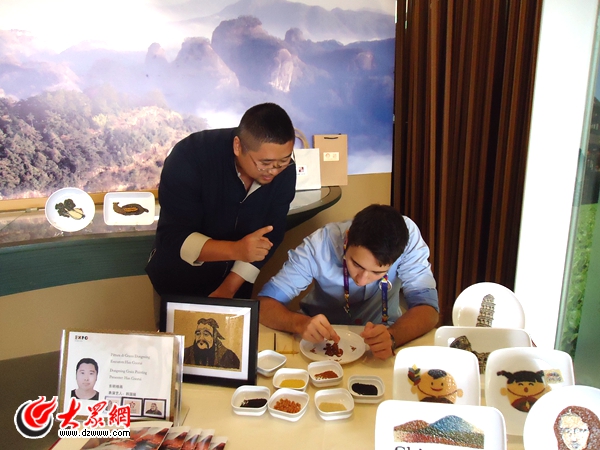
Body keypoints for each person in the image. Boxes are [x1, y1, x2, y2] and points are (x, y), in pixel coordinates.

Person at [146, 102, 296, 306]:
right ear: (238, 146)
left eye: (283, 162)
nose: (274, 171)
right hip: (178, 281)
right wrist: (236, 250)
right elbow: (174, 236)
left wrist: (229, 288)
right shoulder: (190, 156)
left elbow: (271, 235)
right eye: (265, 164)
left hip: (235, 287)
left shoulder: (285, 170)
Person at [257, 204, 439, 360]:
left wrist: (394, 336)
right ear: (347, 238)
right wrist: (299, 323)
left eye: (377, 272)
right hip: (318, 338)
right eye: (356, 264)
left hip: (384, 334)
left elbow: (428, 309)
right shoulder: (320, 244)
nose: (362, 280)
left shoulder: (408, 239)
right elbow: (264, 306)